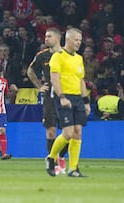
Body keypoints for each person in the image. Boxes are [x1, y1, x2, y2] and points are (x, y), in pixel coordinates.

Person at [45, 28, 91, 177]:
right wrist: (62, 97)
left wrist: (86, 102)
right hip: (63, 97)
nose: (79, 42)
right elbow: (54, 79)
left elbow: (81, 81)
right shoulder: (58, 57)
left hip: (77, 98)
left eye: (80, 40)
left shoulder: (79, 58)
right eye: (76, 39)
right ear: (68, 39)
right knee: (68, 133)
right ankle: (51, 158)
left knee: (78, 132)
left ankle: (73, 168)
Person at [27, 27, 68, 175]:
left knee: (68, 132)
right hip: (49, 96)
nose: (46, 39)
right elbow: (30, 71)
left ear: (57, 38)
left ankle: (61, 156)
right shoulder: (42, 56)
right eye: (45, 36)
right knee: (50, 131)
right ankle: (53, 161)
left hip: (66, 94)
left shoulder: (67, 55)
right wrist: (39, 86)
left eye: (49, 36)